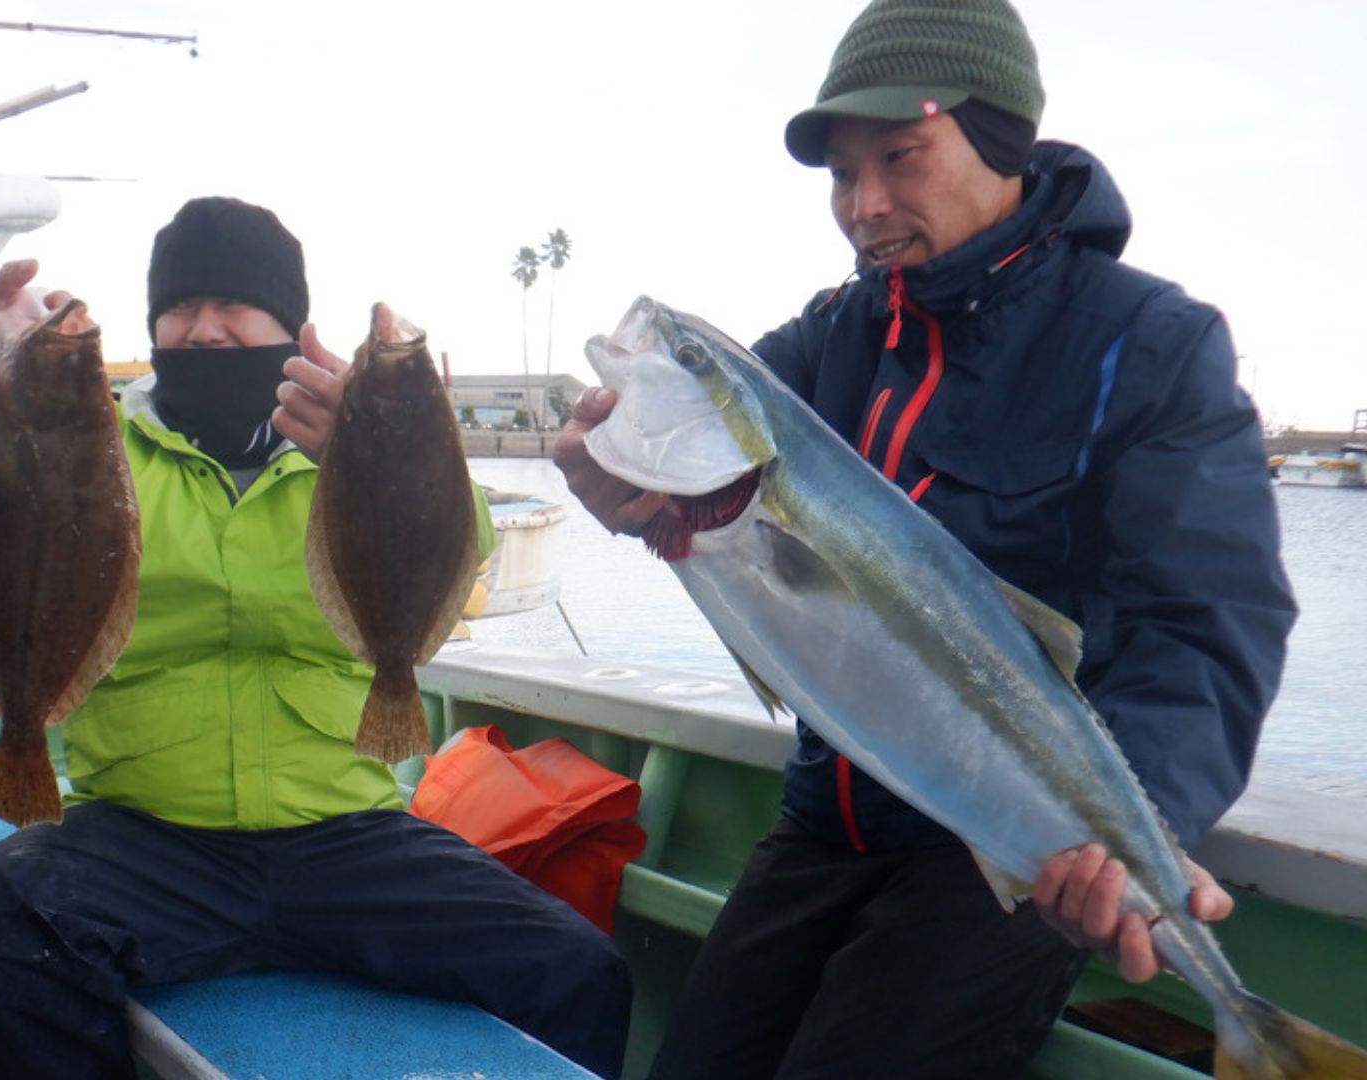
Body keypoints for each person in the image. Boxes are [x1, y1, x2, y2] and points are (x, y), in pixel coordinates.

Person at [554, 1, 1297, 1076]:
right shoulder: (821, 344)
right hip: (826, 817)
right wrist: (640, 511)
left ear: (999, 141)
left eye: (901, 157)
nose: (865, 205)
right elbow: (734, 542)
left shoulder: (1148, 345)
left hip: (1007, 855)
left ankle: (1258, 1032)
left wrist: (1149, 820)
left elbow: (1208, 622)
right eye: (841, 177)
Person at [0, 196, 632, 1079]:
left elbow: (466, 545)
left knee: (574, 969)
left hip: (349, 834)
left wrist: (384, 448)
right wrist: (18, 375)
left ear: (289, 325)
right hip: (147, 836)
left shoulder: (347, 444)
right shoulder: (103, 451)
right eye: (179, 308)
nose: (204, 330)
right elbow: (7, 505)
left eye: (232, 306)